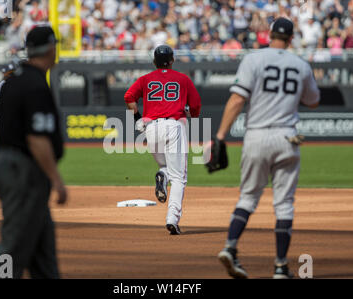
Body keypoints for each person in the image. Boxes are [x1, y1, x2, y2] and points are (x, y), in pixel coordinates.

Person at [215, 18, 320, 279]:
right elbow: (313, 100)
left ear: (269, 34)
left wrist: (219, 136)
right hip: (287, 137)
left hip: (257, 136)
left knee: (248, 198)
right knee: (284, 204)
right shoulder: (300, 64)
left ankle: (230, 247)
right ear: (291, 38)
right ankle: (281, 267)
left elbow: (238, 98)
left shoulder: (254, 59)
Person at [0, 26, 67, 279]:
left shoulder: (11, 82)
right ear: (51, 49)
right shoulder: (35, 85)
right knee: (13, 246)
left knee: (43, 254)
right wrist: (56, 179)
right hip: (25, 172)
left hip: (10, 166)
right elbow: (37, 140)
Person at [124, 45, 201, 235]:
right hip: (173, 126)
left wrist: (137, 118)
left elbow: (129, 97)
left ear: (154, 62)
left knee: (166, 167)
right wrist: (193, 114)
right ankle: (172, 219)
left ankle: (163, 176)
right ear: (172, 60)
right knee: (179, 178)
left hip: (151, 128)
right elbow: (196, 104)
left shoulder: (145, 79)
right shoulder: (183, 79)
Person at [0, 60, 20, 185]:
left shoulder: (20, 84)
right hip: (4, 120)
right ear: (4, 74)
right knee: (0, 148)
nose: (10, 75)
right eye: (8, 73)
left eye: (12, 72)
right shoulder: (0, 87)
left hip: (17, 120)